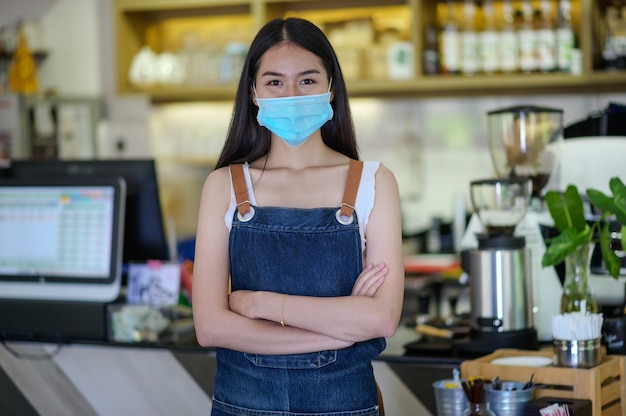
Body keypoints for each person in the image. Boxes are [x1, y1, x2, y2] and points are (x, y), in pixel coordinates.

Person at [192, 17, 404, 416]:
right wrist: (339, 334)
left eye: (307, 80)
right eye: (275, 82)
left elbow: (381, 319)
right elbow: (210, 327)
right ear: (253, 92)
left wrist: (258, 304)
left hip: (346, 407)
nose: (291, 94)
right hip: (242, 407)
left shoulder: (374, 182)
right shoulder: (223, 186)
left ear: (331, 88)